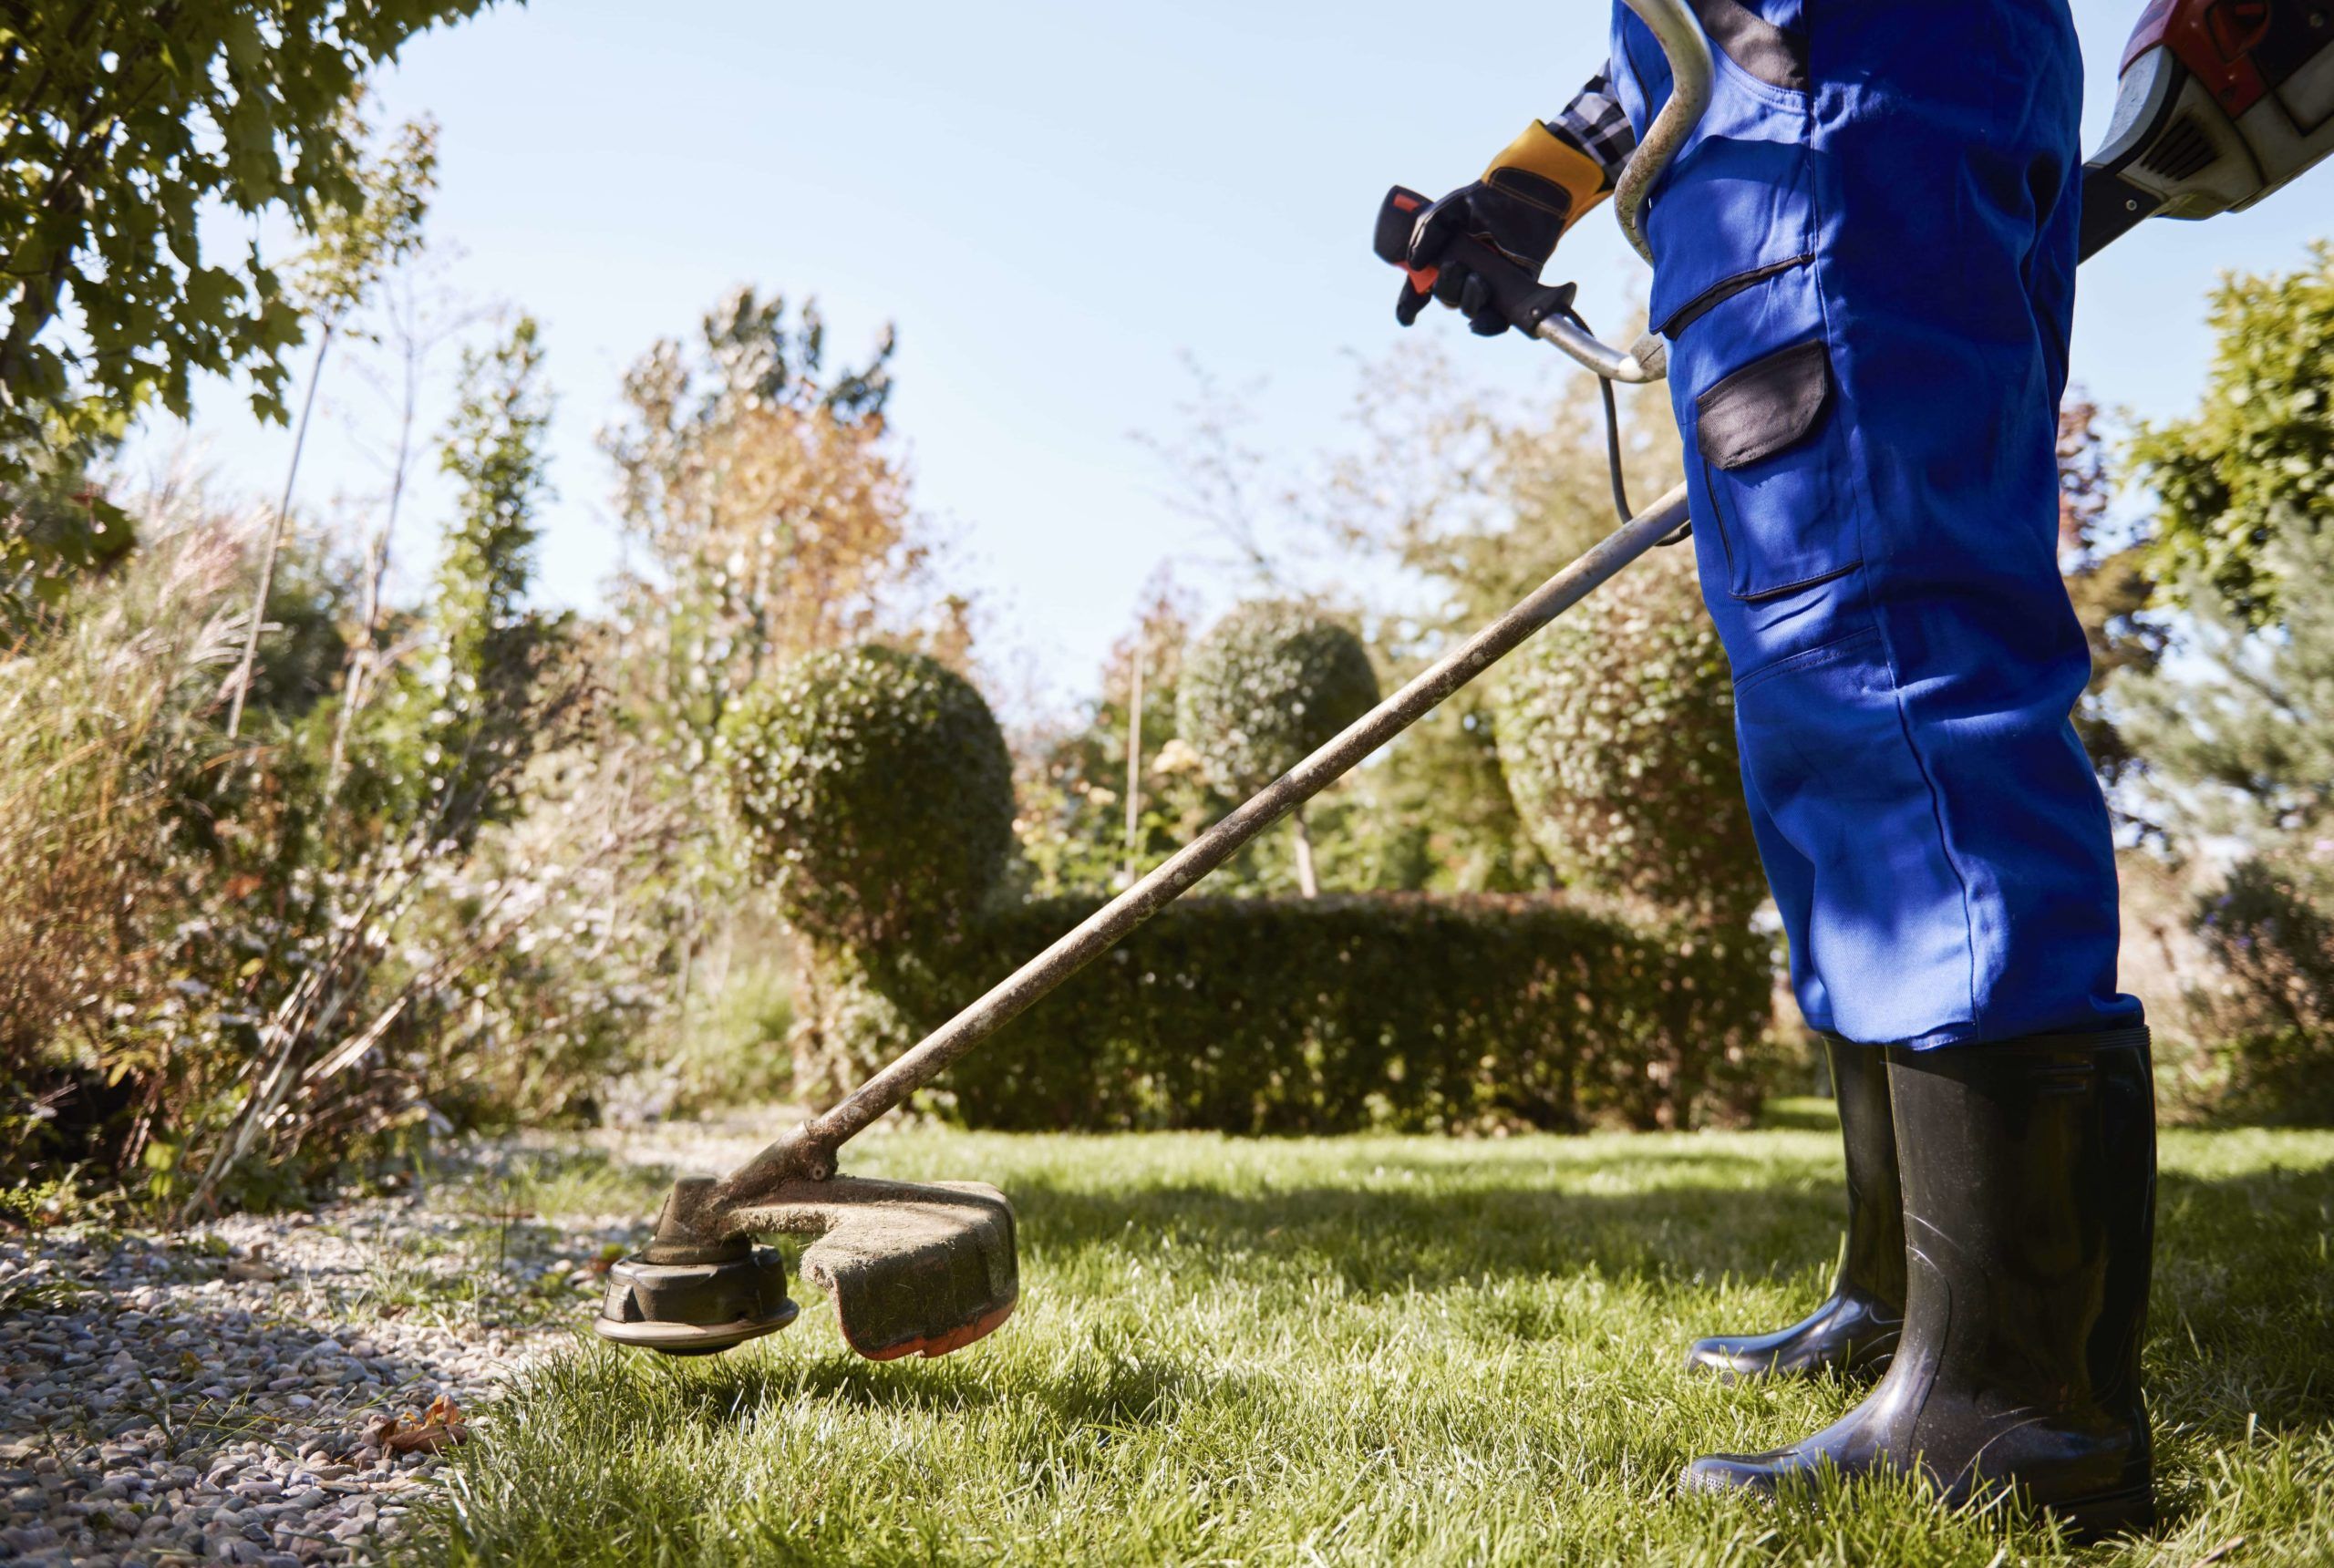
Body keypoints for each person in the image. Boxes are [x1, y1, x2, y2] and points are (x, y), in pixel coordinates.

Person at [1394, 0, 2156, 1538]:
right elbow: (1668, 43)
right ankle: (1906, 1304)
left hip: (1843, 105)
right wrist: (1538, 177)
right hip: (1786, 124)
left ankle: (2017, 1395)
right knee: (1824, 730)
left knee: (1887, 664)